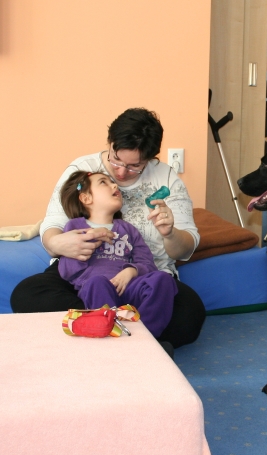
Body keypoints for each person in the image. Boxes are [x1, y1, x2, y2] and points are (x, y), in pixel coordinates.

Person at [11, 108, 206, 350]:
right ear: (110, 143)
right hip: (84, 279)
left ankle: (104, 332)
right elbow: (53, 226)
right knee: (26, 294)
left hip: (140, 279)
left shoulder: (165, 180)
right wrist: (59, 244)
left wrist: (170, 234)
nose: (121, 174)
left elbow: (183, 249)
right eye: (116, 161)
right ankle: (133, 338)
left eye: (135, 166)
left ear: (150, 159)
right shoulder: (84, 170)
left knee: (190, 314)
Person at [58, 170, 178, 338]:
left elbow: (148, 263)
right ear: (86, 198)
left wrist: (131, 271)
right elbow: (67, 271)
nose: (114, 185)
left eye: (112, 182)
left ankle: (145, 338)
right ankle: (112, 338)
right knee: (97, 282)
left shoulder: (128, 229)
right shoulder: (75, 227)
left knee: (163, 279)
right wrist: (90, 237)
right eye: (103, 182)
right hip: (97, 289)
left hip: (129, 287)